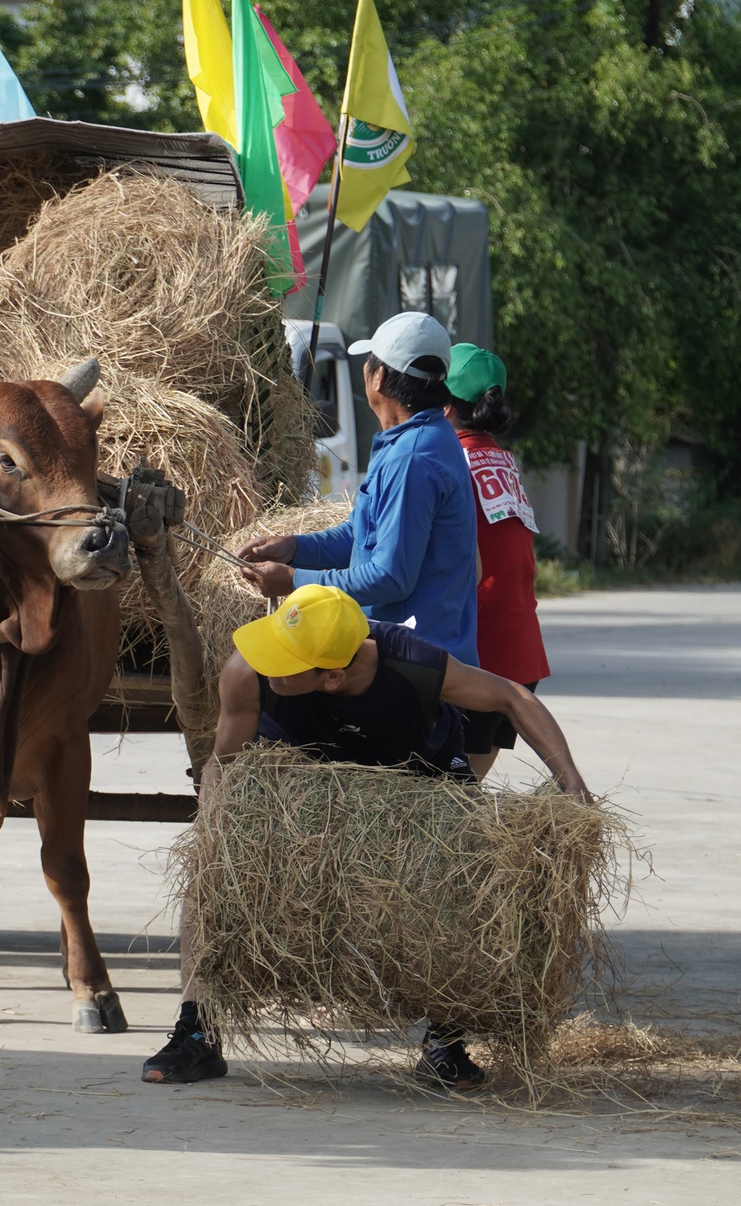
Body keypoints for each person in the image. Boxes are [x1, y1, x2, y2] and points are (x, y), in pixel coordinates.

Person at [142, 585, 592, 1089]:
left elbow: (512, 696)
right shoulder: (249, 672)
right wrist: (215, 826)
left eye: (284, 660)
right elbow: (221, 764)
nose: (266, 663)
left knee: (465, 888)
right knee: (209, 880)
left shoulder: (416, 663)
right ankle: (197, 1031)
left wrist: (570, 782)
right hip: (307, 771)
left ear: (332, 676)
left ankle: (445, 1040)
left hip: (422, 772)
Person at [237, 311, 479, 664]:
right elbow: (361, 536)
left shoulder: (412, 456)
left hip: (411, 657)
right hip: (409, 646)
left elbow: (390, 577)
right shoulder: (418, 440)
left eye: (369, 362)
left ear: (378, 376)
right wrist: (295, 548)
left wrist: (293, 581)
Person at [440, 344, 550, 777]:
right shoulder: (501, 460)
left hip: (476, 658)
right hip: (520, 653)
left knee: (444, 806)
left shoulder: (449, 462)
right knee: (464, 799)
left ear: (444, 406)